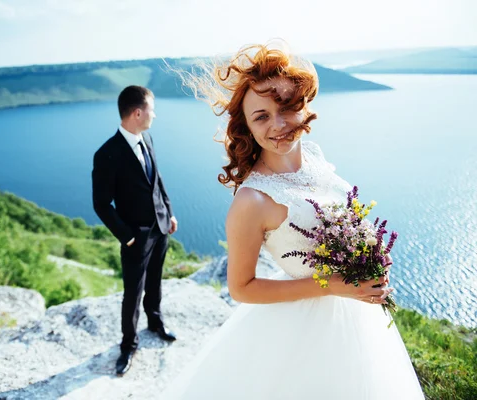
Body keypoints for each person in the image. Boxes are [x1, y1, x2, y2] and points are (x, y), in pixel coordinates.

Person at [162, 41, 424, 399]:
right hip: (301, 331)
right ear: (247, 127)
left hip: (359, 319)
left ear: (303, 106)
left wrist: (369, 259)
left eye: (286, 107)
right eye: (262, 116)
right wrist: (330, 286)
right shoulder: (251, 200)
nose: (279, 125)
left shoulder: (314, 157)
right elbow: (241, 288)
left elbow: (339, 221)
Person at [92, 85, 178, 376]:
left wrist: (168, 211)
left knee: (155, 281)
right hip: (135, 238)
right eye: (152, 109)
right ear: (137, 112)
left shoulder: (147, 138)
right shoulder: (107, 154)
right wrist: (127, 236)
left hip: (160, 228)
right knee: (133, 292)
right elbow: (101, 204)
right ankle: (128, 345)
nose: (155, 114)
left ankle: (155, 322)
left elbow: (157, 178)